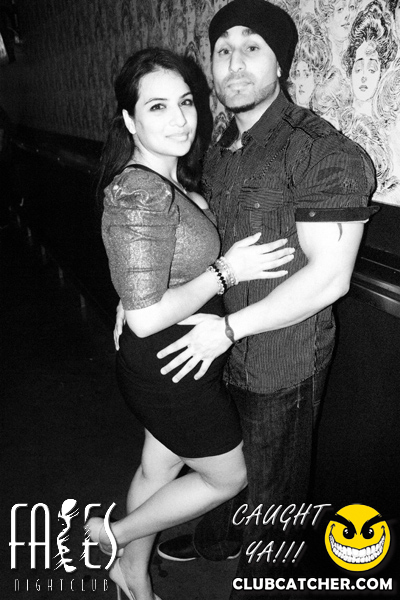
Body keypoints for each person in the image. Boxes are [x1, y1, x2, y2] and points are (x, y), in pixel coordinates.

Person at [150, 1, 378, 598]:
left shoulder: (323, 150)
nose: (234, 62)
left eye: (252, 47)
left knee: (276, 497)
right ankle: (221, 537)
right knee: (232, 466)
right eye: (223, 49)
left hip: (282, 361)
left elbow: (330, 278)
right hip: (220, 351)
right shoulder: (223, 148)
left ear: (281, 63)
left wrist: (228, 330)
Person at [85, 47, 295, 600]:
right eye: (157, 106)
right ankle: (114, 535)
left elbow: (146, 277)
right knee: (229, 476)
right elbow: (146, 317)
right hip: (170, 369)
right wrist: (226, 272)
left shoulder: (167, 181)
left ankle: (131, 575)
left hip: (177, 361)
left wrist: (132, 297)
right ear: (130, 120)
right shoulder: (138, 192)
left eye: (185, 102)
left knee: (157, 470)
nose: (179, 118)